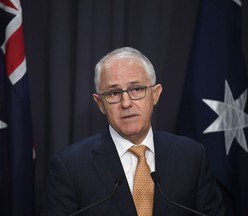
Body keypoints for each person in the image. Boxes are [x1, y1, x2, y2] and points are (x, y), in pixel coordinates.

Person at [41, 47, 225, 216]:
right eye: (113, 93)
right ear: (100, 104)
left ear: (155, 94)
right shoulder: (70, 167)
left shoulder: (192, 156)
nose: (126, 103)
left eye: (136, 89)